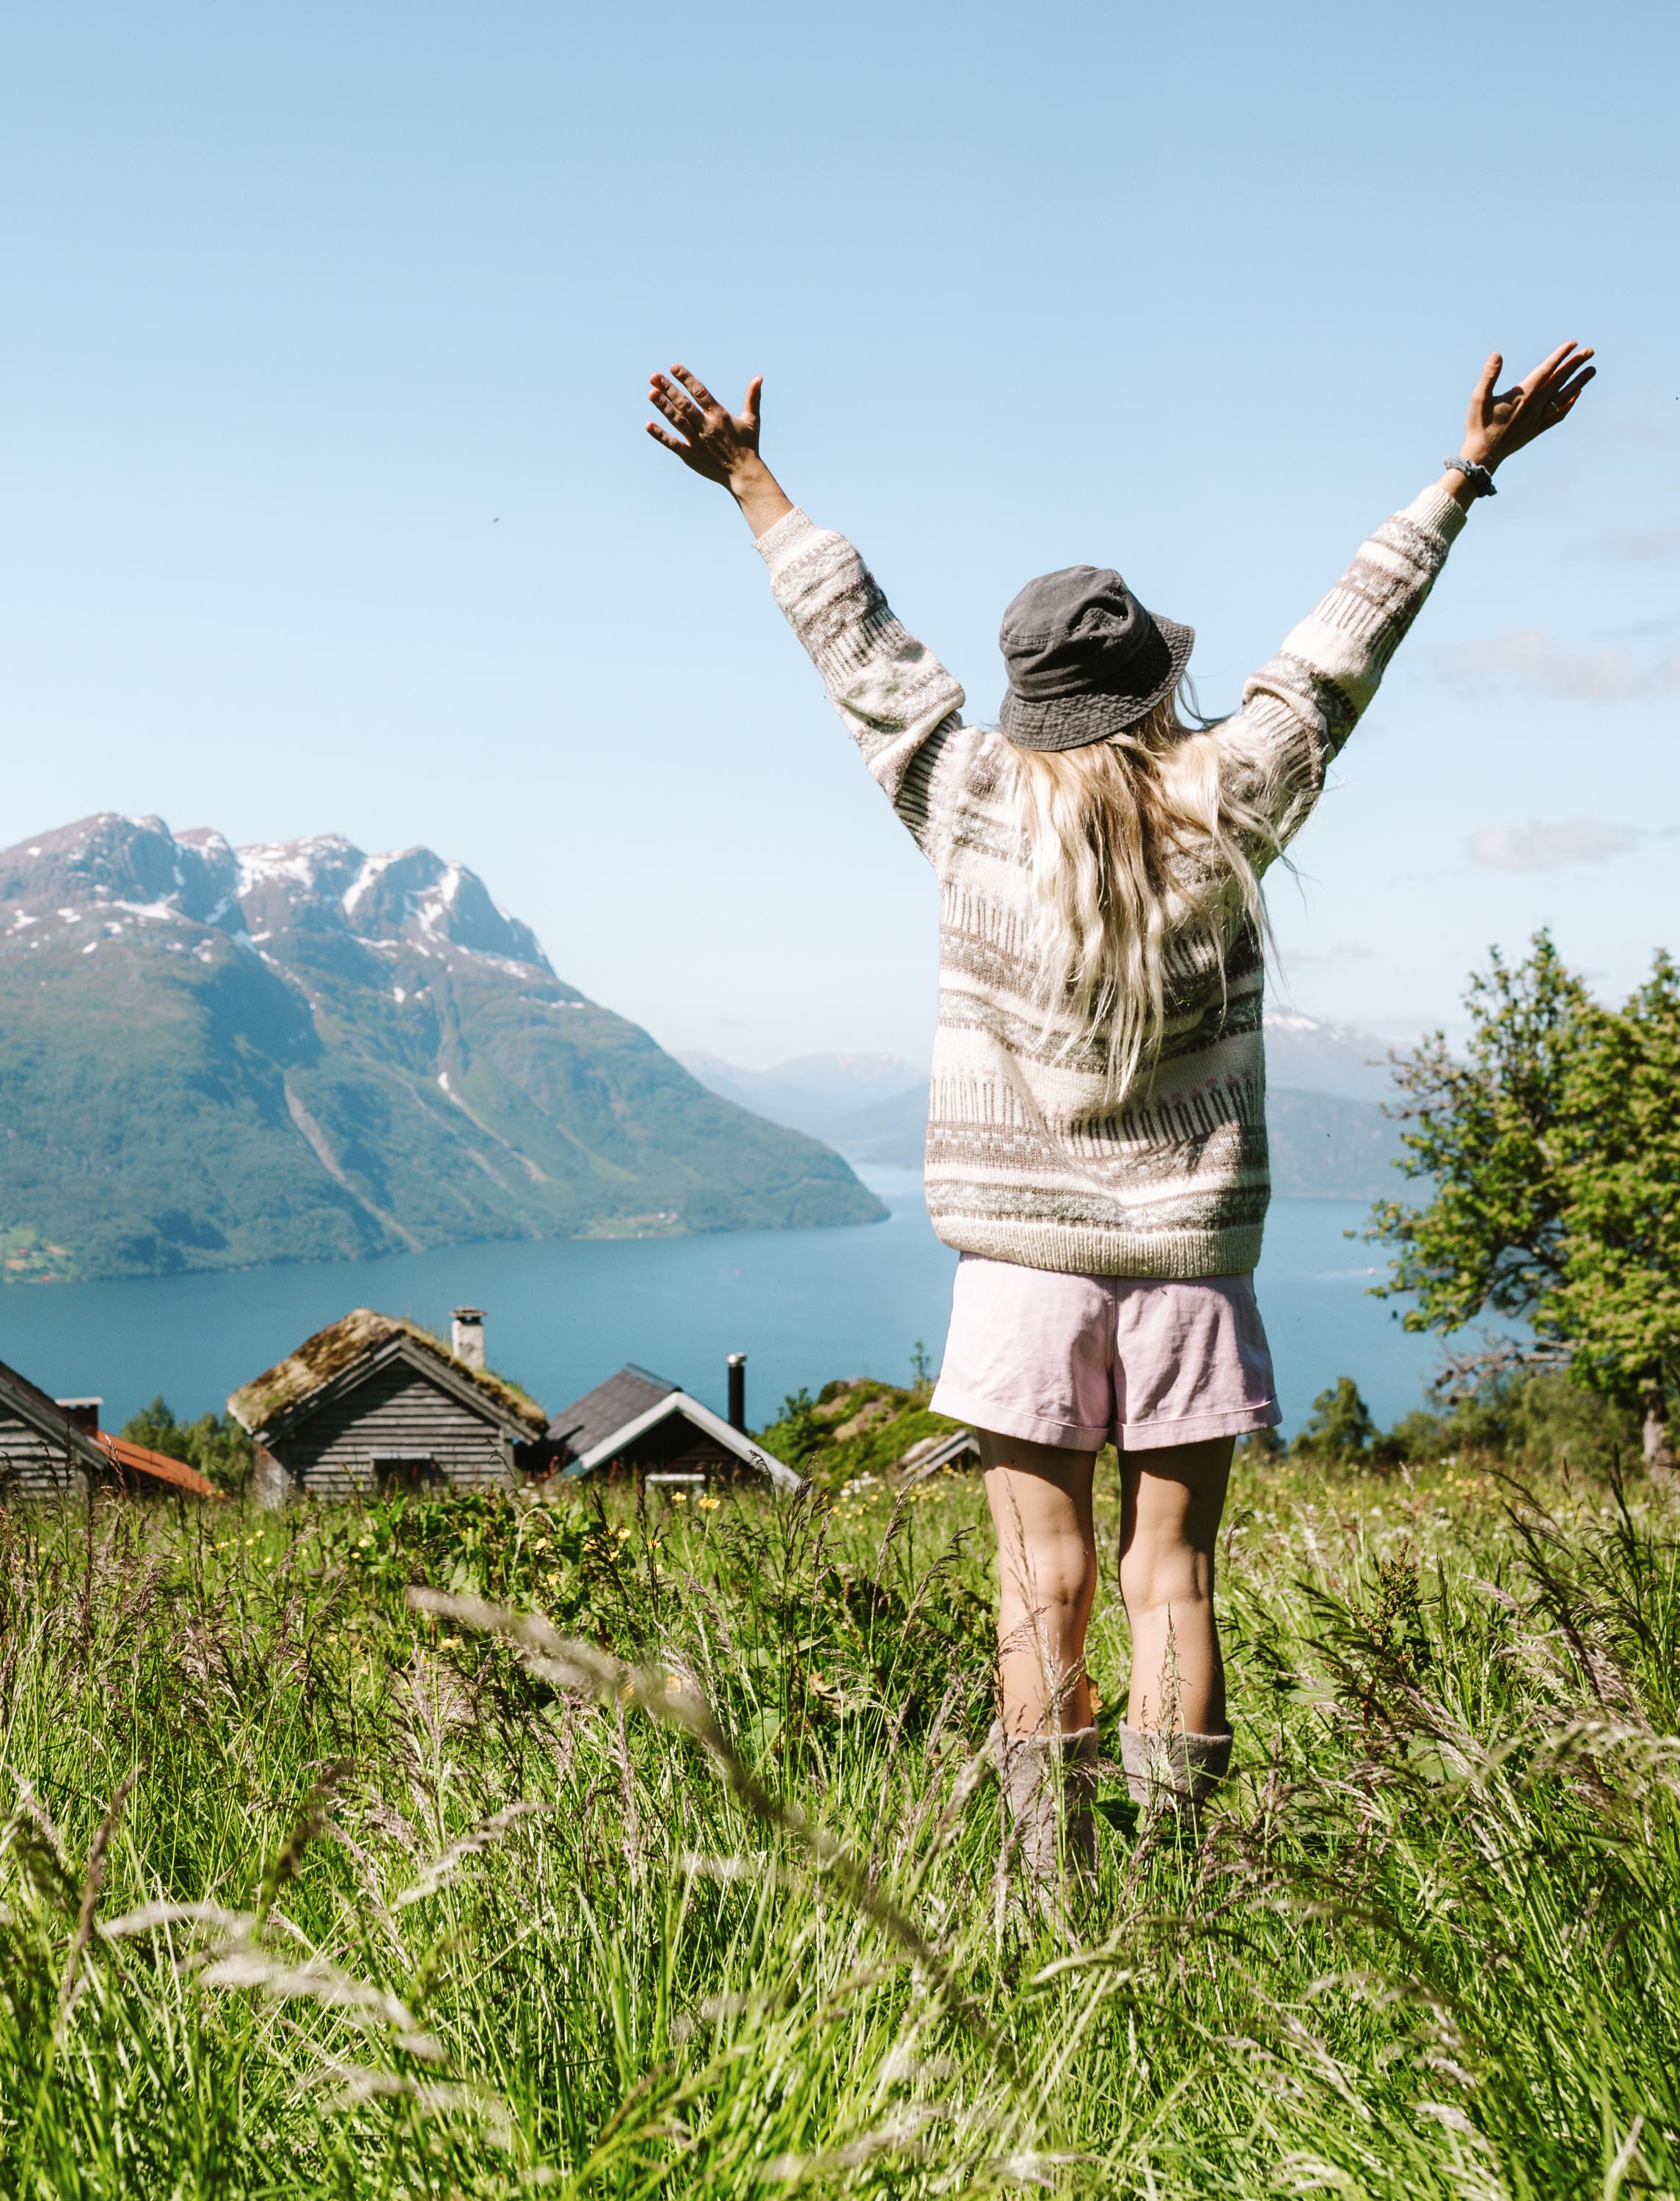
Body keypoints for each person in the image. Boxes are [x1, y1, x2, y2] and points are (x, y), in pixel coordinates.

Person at [646, 342, 1595, 1893]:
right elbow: (1336, 656)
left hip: (1015, 1274)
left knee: (1040, 1585)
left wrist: (749, 484)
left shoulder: (961, 803)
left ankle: (1052, 1896)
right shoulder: (1231, 799)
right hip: (1186, 1273)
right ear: (1158, 685)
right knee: (1174, 1585)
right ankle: (1173, 1893)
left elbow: (860, 651)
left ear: (1026, 702)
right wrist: (1459, 475)